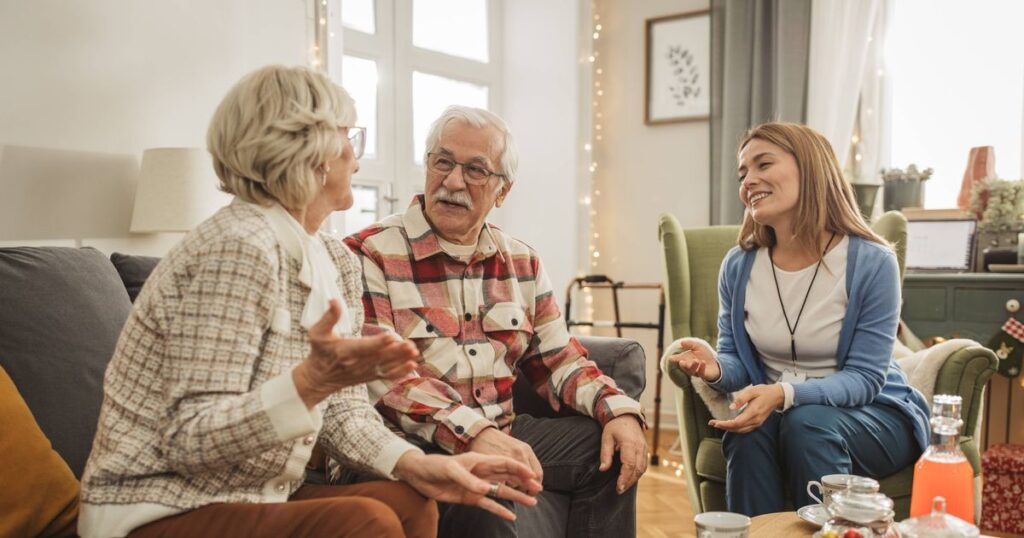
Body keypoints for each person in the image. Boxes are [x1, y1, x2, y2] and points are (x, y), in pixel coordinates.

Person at [78, 66, 540, 538]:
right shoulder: (235, 248)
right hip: (160, 503)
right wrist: (307, 384)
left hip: (258, 494)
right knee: (369, 521)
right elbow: (188, 438)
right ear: (311, 153)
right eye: (348, 139)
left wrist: (414, 464)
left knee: (411, 502)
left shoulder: (336, 259)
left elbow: (344, 413)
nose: (356, 160)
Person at [343, 105, 647, 538]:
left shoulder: (521, 261)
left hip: (503, 432)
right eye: (443, 162)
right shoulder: (368, 254)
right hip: (409, 447)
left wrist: (619, 411)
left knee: (613, 448)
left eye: (475, 170)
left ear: (502, 191)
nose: (452, 181)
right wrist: (474, 435)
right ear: (427, 166)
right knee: (490, 492)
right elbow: (386, 380)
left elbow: (560, 360)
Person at [666, 122, 930, 516]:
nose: (748, 181)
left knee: (807, 423)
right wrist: (716, 369)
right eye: (743, 174)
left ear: (810, 168)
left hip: (876, 415)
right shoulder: (738, 266)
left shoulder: (872, 262)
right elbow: (739, 364)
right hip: (786, 414)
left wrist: (784, 395)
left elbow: (866, 379)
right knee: (746, 433)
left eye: (763, 165)